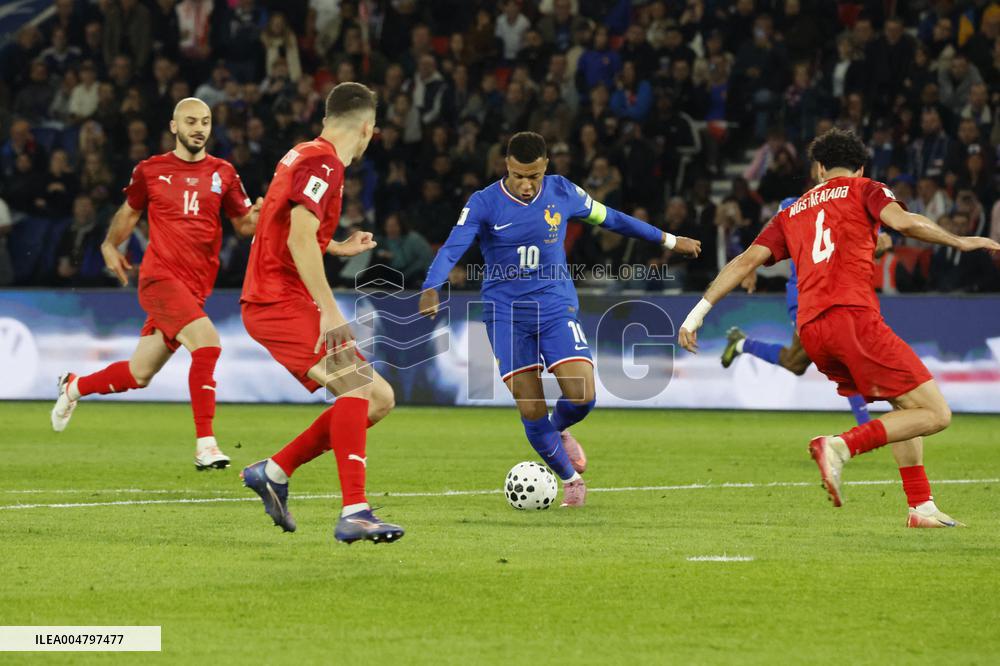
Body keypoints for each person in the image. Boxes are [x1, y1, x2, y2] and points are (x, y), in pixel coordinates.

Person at [678, 129, 1000, 528]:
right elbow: (905, 222)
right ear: (860, 167)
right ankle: (839, 446)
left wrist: (697, 313)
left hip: (811, 330)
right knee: (936, 413)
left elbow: (744, 262)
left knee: (904, 405)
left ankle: (921, 506)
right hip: (851, 316)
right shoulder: (865, 188)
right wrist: (960, 241)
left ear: (818, 168)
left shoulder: (791, 211)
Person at [418, 131, 701, 507]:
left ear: (546, 167)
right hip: (506, 314)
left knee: (583, 396)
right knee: (530, 406)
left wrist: (668, 239)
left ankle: (558, 431)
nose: (525, 184)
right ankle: (570, 481)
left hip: (553, 305)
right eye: (518, 175)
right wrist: (432, 285)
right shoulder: (484, 203)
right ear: (506, 166)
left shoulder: (563, 192)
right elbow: (455, 243)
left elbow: (610, 218)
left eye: (533, 176)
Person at [50, 98, 261, 470]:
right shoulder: (151, 170)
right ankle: (206, 445)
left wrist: (260, 216)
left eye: (206, 121)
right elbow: (129, 212)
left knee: (139, 374)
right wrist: (109, 245)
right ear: (174, 126)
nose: (200, 127)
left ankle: (73, 386)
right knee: (208, 344)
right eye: (191, 121)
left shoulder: (225, 172)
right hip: (159, 279)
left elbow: (243, 225)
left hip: (196, 288)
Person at [239, 82, 404, 545]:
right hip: (278, 300)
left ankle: (274, 471)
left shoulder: (302, 153)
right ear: (368, 128)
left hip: (278, 297)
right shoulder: (324, 162)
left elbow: (281, 222)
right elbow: (294, 239)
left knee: (379, 398)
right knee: (353, 384)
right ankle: (355, 510)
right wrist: (330, 310)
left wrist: (334, 245)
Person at [720, 196, 895, 426]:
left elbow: (881, 242)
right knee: (843, 354)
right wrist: (750, 264)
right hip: (806, 295)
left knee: (796, 363)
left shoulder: (859, 204)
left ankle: (742, 344)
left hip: (839, 295)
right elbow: (770, 230)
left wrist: (882, 244)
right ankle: (865, 427)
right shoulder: (796, 205)